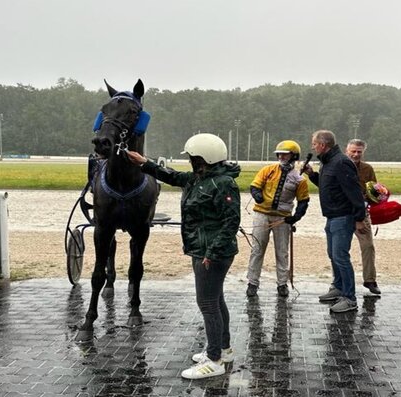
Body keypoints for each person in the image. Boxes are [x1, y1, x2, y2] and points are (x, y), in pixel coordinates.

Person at [126, 133, 241, 380]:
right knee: (216, 300)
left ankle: (214, 360)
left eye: (191, 157)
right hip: (203, 249)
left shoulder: (223, 184)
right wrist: (144, 163)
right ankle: (224, 348)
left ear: (202, 158)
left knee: (207, 304)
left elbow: (231, 222)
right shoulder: (198, 179)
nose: (189, 161)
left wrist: (211, 253)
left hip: (212, 253)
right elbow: (172, 176)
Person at [303, 130, 366, 313]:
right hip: (332, 217)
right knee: (333, 254)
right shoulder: (328, 162)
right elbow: (328, 186)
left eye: (314, 144)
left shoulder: (341, 162)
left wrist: (359, 218)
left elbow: (354, 192)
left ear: (322, 145)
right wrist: (312, 175)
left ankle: (350, 298)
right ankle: (338, 287)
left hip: (343, 217)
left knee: (341, 256)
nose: (313, 147)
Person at [246, 140, 310, 298]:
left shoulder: (300, 179)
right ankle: (252, 283)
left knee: (282, 252)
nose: (281, 156)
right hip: (262, 214)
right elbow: (255, 186)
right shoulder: (267, 170)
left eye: (285, 153)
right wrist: (258, 196)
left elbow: (303, 201)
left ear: (293, 155)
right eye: (279, 154)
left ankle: (282, 283)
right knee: (257, 249)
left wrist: (296, 217)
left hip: (282, 218)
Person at [345, 139, 381, 295]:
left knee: (368, 246)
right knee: (339, 250)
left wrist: (376, 196)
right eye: (353, 151)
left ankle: (370, 280)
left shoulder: (367, 169)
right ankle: (338, 283)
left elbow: (374, 190)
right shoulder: (340, 166)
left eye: (359, 151)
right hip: (343, 212)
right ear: (347, 151)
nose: (356, 154)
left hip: (361, 212)